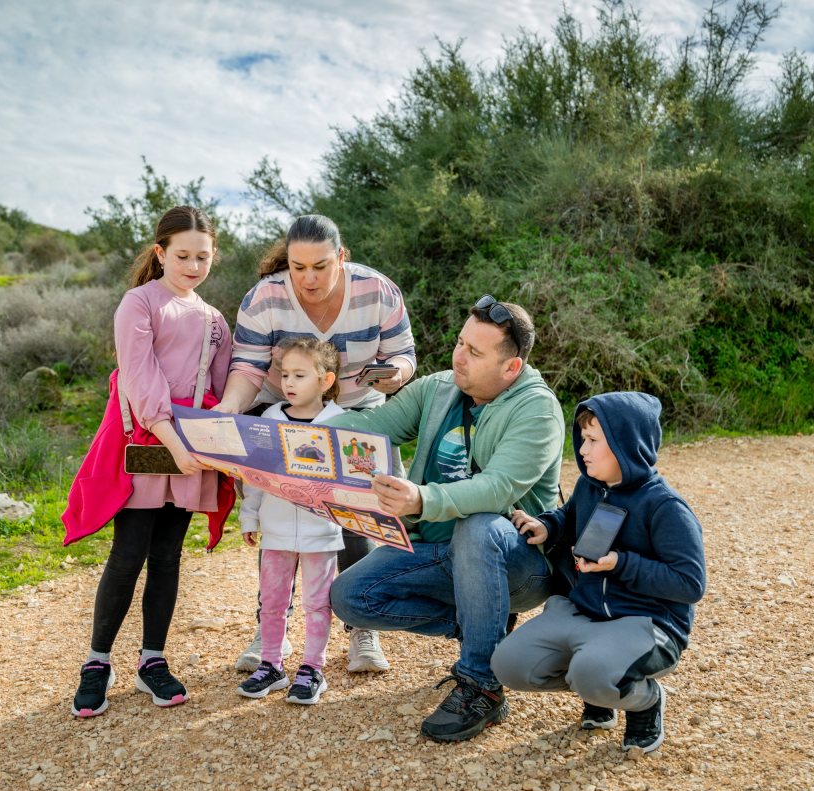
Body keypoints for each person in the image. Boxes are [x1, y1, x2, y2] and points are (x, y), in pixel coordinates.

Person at [327, 295, 564, 742]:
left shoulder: (537, 410)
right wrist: (296, 435)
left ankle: (481, 685)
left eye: (475, 352)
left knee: (477, 525)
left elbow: (496, 489)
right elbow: (374, 427)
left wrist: (421, 498)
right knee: (350, 597)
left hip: (519, 564)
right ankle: (483, 627)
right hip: (439, 552)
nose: (459, 356)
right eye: (459, 343)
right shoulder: (437, 389)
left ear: (511, 368)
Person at [215, 213, 416, 674]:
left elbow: (403, 354)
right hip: (281, 410)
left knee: (355, 514)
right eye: (298, 267)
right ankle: (271, 629)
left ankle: (361, 627)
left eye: (320, 266)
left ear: (341, 257)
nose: (308, 279)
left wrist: (396, 375)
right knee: (279, 511)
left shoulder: (377, 291)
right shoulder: (264, 297)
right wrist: (229, 409)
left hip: (355, 411)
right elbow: (247, 367)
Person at [67, 206, 232, 718]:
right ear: (160, 253)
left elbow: (222, 385)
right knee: (128, 554)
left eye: (203, 257)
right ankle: (97, 662)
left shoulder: (214, 320)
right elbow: (139, 379)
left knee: (167, 556)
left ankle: (152, 660)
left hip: (191, 450)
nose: (193, 266)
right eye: (182, 256)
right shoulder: (138, 303)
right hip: (145, 443)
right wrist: (173, 443)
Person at [490, 392, 706, 754]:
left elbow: (690, 583)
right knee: (508, 664)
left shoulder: (666, 507)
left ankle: (643, 700)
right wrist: (547, 527)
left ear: (626, 445)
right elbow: (568, 517)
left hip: (645, 622)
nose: (582, 450)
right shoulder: (590, 486)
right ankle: (599, 689)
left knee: (591, 672)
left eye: (593, 440)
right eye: (583, 438)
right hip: (584, 611)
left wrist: (620, 563)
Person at [236, 338, 346, 704]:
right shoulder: (270, 418)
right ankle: (271, 665)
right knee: (272, 601)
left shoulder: (340, 421)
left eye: (300, 375)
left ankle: (312, 668)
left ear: (326, 380)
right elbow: (255, 474)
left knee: (317, 603)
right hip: (276, 530)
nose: (289, 382)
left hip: (321, 532)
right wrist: (250, 516)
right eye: (285, 375)